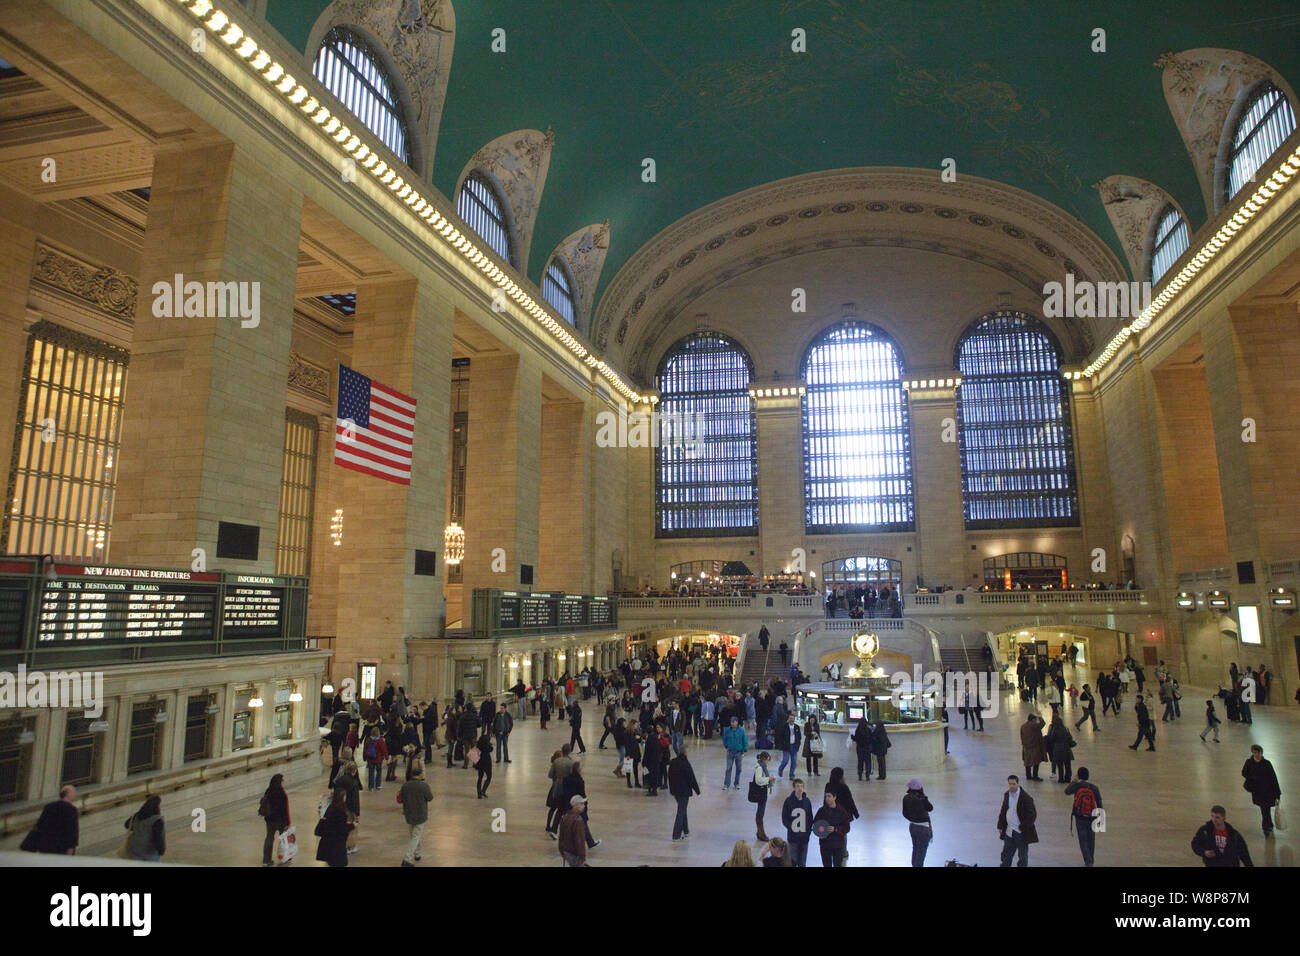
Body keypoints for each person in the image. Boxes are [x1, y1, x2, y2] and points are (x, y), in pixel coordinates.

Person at [21, 784, 79, 855]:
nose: (75, 794)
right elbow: (72, 832)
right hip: (61, 848)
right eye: (74, 792)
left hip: (46, 846)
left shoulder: (49, 807)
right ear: (68, 794)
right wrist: (70, 849)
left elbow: (39, 825)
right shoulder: (71, 810)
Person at [1064, 767, 1103, 866]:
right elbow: (1099, 804)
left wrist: (1074, 781)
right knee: (1091, 840)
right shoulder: (1094, 788)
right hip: (1092, 817)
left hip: (1080, 817)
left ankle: (1088, 861)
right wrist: (1100, 822)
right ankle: (1091, 860)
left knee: (1083, 841)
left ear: (1078, 775)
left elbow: (1067, 791)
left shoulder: (1077, 786)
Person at [996, 774, 1037, 867]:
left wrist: (1023, 827)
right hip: (1009, 831)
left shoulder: (1026, 798)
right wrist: (1000, 825)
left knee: (1022, 856)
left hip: (1020, 832)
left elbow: (1032, 815)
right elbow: (1003, 810)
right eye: (1010, 784)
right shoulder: (1007, 795)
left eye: (1013, 784)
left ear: (1018, 784)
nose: (1011, 786)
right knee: (1006, 854)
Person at [1241, 745, 1282, 836]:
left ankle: (1267, 826)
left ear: (1261, 753)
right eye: (1255, 752)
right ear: (1252, 753)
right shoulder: (1249, 762)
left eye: (1258, 752)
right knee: (1264, 809)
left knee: (1265, 809)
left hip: (1267, 791)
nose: (1257, 754)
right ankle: (1267, 826)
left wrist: (1277, 793)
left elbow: (1273, 778)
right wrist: (1252, 777)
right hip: (1257, 792)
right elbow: (1244, 773)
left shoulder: (1267, 763)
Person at [397, 763, 433, 866]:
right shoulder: (424, 786)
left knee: (414, 834)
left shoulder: (405, 785)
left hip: (409, 813)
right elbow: (430, 798)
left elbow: (401, 798)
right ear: (420, 774)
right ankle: (407, 859)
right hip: (420, 814)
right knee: (416, 836)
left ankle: (417, 853)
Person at [560, 762, 600, 851]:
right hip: (578, 805)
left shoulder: (566, 779)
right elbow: (582, 794)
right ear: (578, 770)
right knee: (583, 824)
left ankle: (589, 842)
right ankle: (590, 842)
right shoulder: (579, 781)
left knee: (569, 824)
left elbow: (564, 793)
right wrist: (585, 804)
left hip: (568, 805)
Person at [668, 747, 700, 841]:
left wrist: (671, 789)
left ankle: (686, 831)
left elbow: (669, 775)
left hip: (675, 791)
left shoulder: (673, 762)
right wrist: (697, 790)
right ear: (685, 753)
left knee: (682, 809)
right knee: (681, 811)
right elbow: (691, 778)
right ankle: (676, 835)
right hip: (684, 792)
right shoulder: (685, 764)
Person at [314, 790, 353, 868]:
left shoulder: (330, 808)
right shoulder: (340, 811)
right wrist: (352, 826)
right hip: (337, 844)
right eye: (344, 796)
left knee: (331, 863)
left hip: (329, 844)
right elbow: (341, 829)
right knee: (338, 863)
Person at [258, 773, 290, 866]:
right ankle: (285, 857)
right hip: (280, 820)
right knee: (284, 839)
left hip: (270, 819)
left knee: (269, 838)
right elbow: (285, 809)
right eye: (282, 780)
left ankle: (266, 860)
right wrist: (287, 821)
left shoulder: (268, 791)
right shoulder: (281, 793)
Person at [812, 789, 849, 867]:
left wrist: (836, 829)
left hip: (838, 845)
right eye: (826, 796)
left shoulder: (841, 811)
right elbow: (815, 824)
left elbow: (847, 827)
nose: (827, 798)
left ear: (834, 797)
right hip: (825, 844)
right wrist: (820, 834)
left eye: (829, 796)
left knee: (838, 865)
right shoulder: (821, 811)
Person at [122, 795, 165, 862]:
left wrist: (138, 828)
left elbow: (127, 824)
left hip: (134, 849)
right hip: (149, 853)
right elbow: (158, 838)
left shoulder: (137, 815)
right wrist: (161, 850)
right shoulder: (157, 821)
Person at [782, 778, 813, 867]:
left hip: (804, 837)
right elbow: (784, 818)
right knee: (792, 861)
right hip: (793, 838)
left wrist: (808, 832)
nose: (800, 788)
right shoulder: (788, 801)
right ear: (794, 788)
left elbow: (810, 818)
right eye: (798, 786)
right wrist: (791, 828)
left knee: (803, 862)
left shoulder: (807, 801)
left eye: (802, 786)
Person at [901, 778, 933, 867]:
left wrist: (913, 819)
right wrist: (924, 797)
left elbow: (904, 813)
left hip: (912, 827)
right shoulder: (921, 798)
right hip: (923, 828)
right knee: (921, 852)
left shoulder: (906, 797)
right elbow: (930, 808)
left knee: (915, 849)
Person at [335, 761, 361, 856]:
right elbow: (355, 799)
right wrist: (357, 813)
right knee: (351, 828)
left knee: (340, 827)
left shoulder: (339, 780)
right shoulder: (354, 783)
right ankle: (350, 847)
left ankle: (340, 845)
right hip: (350, 808)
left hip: (339, 807)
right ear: (354, 771)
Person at [546, 745, 573, 837]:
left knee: (554, 808)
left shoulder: (556, 762)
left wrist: (556, 778)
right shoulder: (570, 762)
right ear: (569, 751)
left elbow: (550, 775)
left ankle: (550, 827)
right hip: (566, 788)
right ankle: (563, 829)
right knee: (564, 809)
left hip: (555, 787)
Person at [557, 795, 589, 867]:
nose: (584, 806)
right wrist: (582, 858)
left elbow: (561, 835)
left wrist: (561, 850)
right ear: (576, 805)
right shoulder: (578, 821)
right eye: (581, 804)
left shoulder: (565, 817)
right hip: (574, 854)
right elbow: (579, 840)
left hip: (566, 852)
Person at [1045, 715, 1076, 784]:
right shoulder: (1065, 729)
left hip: (1058, 749)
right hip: (1066, 749)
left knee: (1060, 765)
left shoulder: (1054, 730)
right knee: (1068, 765)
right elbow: (1070, 738)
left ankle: (1061, 779)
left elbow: (1051, 739)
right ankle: (1068, 778)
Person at [752, 751, 774, 841]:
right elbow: (758, 780)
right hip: (761, 793)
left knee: (760, 813)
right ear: (764, 759)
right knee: (760, 814)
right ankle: (761, 833)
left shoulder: (762, 766)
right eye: (768, 760)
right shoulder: (760, 768)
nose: (768, 762)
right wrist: (769, 779)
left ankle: (759, 832)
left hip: (763, 792)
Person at [722, 716, 748, 791]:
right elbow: (724, 738)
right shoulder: (727, 730)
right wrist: (726, 745)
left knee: (739, 769)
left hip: (739, 753)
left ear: (737, 722)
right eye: (731, 722)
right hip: (730, 752)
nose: (732, 723)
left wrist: (745, 749)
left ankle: (736, 783)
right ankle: (726, 784)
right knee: (728, 768)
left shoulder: (741, 730)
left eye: (734, 722)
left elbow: (745, 740)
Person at [1020, 713, 1046, 781]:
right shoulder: (1033, 725)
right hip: (1034, 747)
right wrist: (1040, 717)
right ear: (1033, 719)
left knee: (1027, 762)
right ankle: (1035, 776)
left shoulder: (1023, 726)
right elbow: (1042, 724)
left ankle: (1028, 776)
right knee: (1036, 762)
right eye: (1035, 720)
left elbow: (1021, 735)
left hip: (1026, 746)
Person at [776, 712, 801, 780]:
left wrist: (797, 745)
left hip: (794, 746)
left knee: (794, 761)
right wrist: (782, 744)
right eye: (790, 718)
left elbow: (799, 737)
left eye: (793, 718)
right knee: (785, 760)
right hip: (786, 746)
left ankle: (791, 775)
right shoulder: (784, 726)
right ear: (788, 719)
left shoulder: (797, 727)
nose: (791, 720)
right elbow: (780, 736)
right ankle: (780, 769)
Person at [362, 725, 388, 791]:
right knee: (379, 772)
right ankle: (378, 785)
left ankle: (371, 787)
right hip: (379, 759)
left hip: (370, 759)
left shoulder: (368, 740)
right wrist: (386, 757)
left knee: (371, 772)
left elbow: (365, 749)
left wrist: (364, 757)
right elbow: (384, 749)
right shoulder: (380, 740)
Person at [643, 722, 664, 796]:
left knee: (651, 775)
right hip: (656, 760)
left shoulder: (650, 738)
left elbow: (647, 751)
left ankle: (653, 790)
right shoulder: (655, 737)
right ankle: (653, 789)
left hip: (651, 761)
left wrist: (644, 761)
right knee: (655, 774)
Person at [474, 731, 493, 798]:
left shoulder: (478, 746)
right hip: (487, 763)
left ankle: (479, 793)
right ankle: (483, 791)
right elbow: (491, 749)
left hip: (480, 764)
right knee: (489, 777)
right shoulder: (487, 747)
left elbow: (474, 756)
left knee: (480, 778)